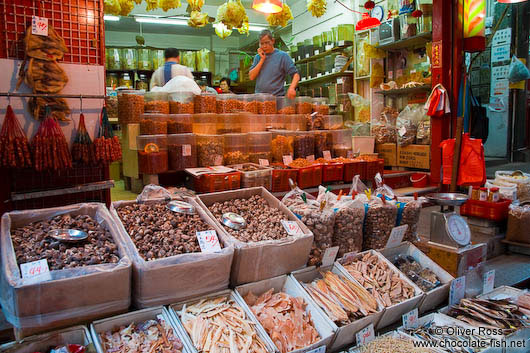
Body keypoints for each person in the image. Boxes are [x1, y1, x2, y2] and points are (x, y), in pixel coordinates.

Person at [249, 30, 300, 99]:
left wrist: (292, 88)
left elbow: (295, 75)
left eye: (267, 43)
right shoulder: (258, 57)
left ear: (273, 41)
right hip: (259, 99)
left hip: (277, 98)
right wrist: (262, 60)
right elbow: (251, 77)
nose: (264, 46)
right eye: (262, 44)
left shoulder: (282, 56)